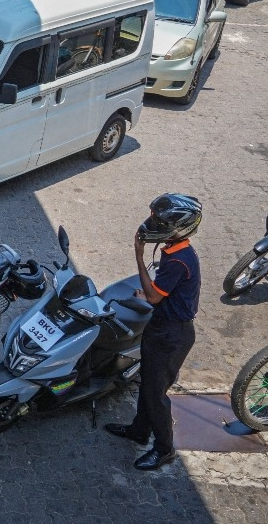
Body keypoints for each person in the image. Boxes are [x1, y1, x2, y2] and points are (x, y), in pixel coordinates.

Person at [104, 193, 203, 471]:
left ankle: (164, 449)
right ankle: (139, 430)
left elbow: (154, 297)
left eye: (159, 222)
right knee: (148, 385)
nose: (151, 225)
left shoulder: (178, 260)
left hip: (171, 336)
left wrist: (138, 255)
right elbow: (159, 294)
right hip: (162, 328)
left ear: (178, 228)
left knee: (156, 394)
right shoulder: (174, 251)